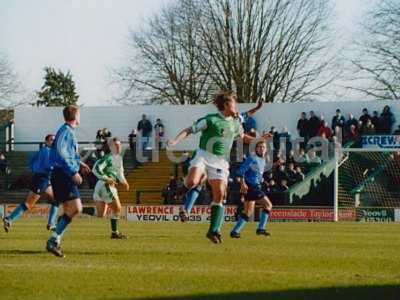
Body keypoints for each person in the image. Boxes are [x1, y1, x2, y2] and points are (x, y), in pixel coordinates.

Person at [167, 91, 270, 243]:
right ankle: (183, 191)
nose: (236, 106)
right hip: (204, 155)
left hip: (221, 161)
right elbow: (189, 129)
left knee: (220, 195)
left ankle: (213, 230)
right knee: (192, 181)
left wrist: (259, 136)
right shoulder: (211, 120)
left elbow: (244, 134)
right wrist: (175, 141)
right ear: (226, 105)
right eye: (234, 103)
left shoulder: (236, 121)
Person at [45, 105, 91, 258]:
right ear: (75, 116)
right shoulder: (66, 131)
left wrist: (80, 164)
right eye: (80, 114)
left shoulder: (67, 131)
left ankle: (55, 240)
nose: (81, 117)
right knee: (77, 208)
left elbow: (69, 154)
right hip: (63, 174)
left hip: (61, 173)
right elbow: (60, 151)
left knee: (68, 210)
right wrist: (73, 172)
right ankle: (53, 239)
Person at [3, 135, 59, 232]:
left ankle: (51, 223)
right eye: (51, 140)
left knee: (56, 200)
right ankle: (9, 219)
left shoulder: (45, 151)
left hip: (44, 179)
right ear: (46, 142)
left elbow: (31, 161)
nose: (53, 142)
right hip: (41, 180)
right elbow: (48, 165)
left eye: (54, 140)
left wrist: (35, 168)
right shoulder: (46, 151)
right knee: (28, 204)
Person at [230, 140, 273, 238]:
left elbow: (259, 172)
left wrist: (277, 164)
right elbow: (240, 171)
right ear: (256, 148)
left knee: (248, 212)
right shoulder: (252, 158)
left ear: (266, 150)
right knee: (268, 205)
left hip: (253, 186)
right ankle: (261, 229)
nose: (262, 149)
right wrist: (243, 183)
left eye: (263, 147)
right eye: (260, 147)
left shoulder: (262, 160)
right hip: (252, 187)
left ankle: (235, 231)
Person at [92, 137, 129, 239]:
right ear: (111, 147)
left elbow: (120, 173)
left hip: (101, 185)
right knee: (117, 209)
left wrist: (124, 182)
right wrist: (106, 178)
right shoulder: (109, 157)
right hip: (105, 185)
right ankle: (115, 233)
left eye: (119, 145)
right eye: (116, 145)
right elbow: (95, 169)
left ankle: (74, 210)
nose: (118, 147)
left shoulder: (118, 158)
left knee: (101, 214)